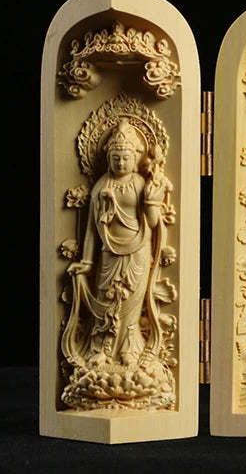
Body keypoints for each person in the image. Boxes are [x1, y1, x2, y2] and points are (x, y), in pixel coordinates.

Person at [65, 119, 167, 368]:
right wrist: (87, 261)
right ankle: (102, 348)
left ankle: (129, 349)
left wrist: (152, 201)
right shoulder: (102, 185)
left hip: (138, 250)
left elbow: (153, 222)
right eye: (116, 158)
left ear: (135, 158)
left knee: (132, 303)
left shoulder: (140, 184)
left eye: (126, 158)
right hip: (108, 251)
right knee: (107, 300)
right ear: (108, 159)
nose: (121, 163)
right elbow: (91, 229)